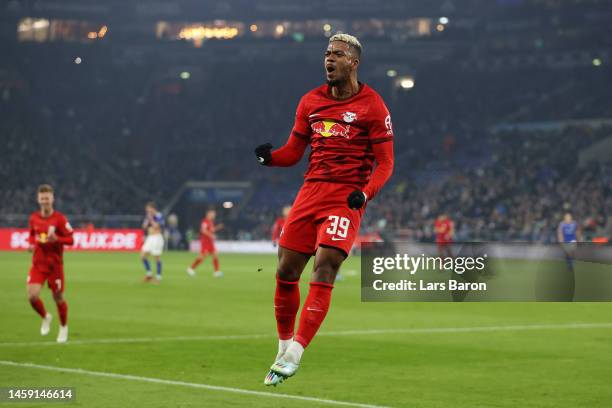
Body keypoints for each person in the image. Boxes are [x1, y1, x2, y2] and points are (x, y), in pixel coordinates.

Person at [255, 33, 394, 385]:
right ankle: (283, 344)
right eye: (327, 53)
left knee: (326, 264)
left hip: (345, 197)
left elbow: (386, 163)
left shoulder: (373, 106)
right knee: (286, 269)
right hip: (310, 192)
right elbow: (292, 151)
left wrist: (365, 194)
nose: (329, 59)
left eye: (338, 54)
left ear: (354, 63)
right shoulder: (310, 102)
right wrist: (269, 158)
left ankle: (297, 352)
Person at [27, 184, 74, 343]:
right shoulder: (33, 218)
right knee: (32, 296)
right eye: (42, 198)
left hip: (55, 266)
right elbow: (32, 234)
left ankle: (63, 327)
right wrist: (31, 244)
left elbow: (71, 239)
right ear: (38, 199)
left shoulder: (60, 219)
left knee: (58, 297)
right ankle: (46, 317)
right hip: (38, 264)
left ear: (52, 199)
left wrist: (58, 239)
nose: (45, 201)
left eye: (47, 198)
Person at [187, 209, 224, 278]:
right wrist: (211, 235)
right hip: (205, 241)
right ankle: (191, 268)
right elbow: (203, 230)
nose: (214, 215)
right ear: (208, 214)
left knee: (215, 254)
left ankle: (216, 271)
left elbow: (212, 230)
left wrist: (218, 227)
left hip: (210, 241)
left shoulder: (210, 222)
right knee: (203, 255)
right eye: (213, 214)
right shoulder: (205, 221)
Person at [141, 202, 165, 283]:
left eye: (149, 209)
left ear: (153, 208)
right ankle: (149, 275)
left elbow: (156, 226)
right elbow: (144, 227)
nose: (147, 210)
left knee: (156, 258)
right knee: (143, 256)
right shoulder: (148, 216)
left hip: (157, 238)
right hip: (150, 238)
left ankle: (158, 278)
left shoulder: (159, 216)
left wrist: (150, 219)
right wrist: (147, 220)